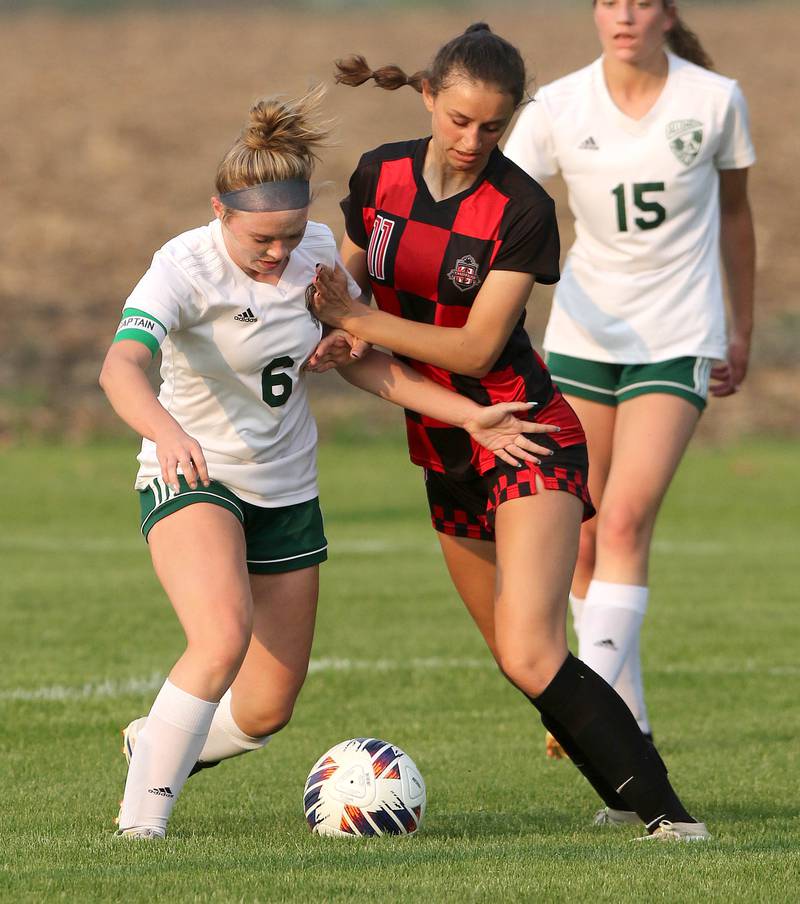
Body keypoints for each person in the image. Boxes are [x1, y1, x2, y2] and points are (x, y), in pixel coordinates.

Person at [99, 87, 559, 840]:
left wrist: (467, 413)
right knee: (220, 638)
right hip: (195, 475)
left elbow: (361, 361)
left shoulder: (315, 252)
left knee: (264, 711)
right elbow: (120, 368)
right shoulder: (181, 268)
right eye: (261, 242)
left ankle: (154, 740)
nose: (279, 254)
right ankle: (140, 829)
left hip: (287, 487)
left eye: (289, 236)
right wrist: (164, 430)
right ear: (220, 212)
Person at [308, 22, 709, 840]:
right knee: (525, 663)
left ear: (514, 119)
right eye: (458, 120)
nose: (471, 140)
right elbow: (337, 299)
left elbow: (477, 345)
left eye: (493, 126)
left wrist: (361, 320)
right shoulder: (378, 175)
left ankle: (672, 819)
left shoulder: (521, 207)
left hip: (524, 433)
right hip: (445, 445)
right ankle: (628, 799)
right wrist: (339, 331)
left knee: (531, 651)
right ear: (427, 95)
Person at [504, 0, 756, 758]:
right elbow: (501, 202)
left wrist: (740, 325)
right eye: (609, 1)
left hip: (679, 335)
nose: (624, 15)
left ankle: (586, 708)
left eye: (641, 1)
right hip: (584, 335)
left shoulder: (715, 101)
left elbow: (737, 219)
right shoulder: (557, 106)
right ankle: (630, 727)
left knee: (622, 521)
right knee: (581, 534)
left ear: (669, 14)